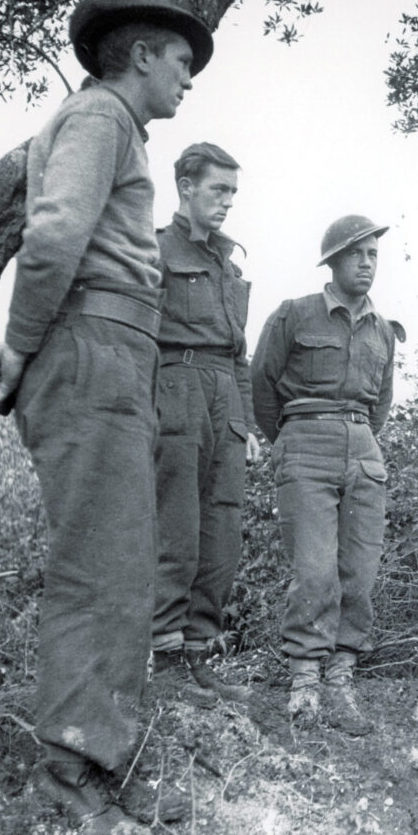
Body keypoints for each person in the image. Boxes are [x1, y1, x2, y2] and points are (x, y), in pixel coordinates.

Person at [0, 0, 212, 835]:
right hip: (92, 346)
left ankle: (101, 760)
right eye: (181, 63)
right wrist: (26, 346)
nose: (188, 81)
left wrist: (28, 349)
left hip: (110, 349)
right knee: (100, 567)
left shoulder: (110, 126)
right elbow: (56, 234)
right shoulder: (101, 116)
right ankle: (71, 771)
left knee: (121, 563)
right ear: (141, 54)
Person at [251, 215, 404, 736]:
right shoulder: (295, 315)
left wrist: (356, 437)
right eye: (356, 254)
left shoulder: (383, 330)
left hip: (363, 448)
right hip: (304, 444)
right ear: (333, 262)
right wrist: (293, 441)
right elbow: (262, 386)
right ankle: (304, 680)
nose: (367, 263)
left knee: (359, 572)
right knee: (315, 570)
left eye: (373, 255)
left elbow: (380, 404)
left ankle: (341, 674)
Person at [151, 142, 257, 704]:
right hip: (176, 389)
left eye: (233, 194)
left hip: (223, 397)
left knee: (221, 533)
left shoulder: (228, 264)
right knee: (178, 528)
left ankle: (199, 654)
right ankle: (166, 661)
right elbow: (137, 336)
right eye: (218, 190)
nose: (226, 203)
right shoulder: (154, 250)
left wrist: (246, 422)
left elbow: (238, 353)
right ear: (185, 187)